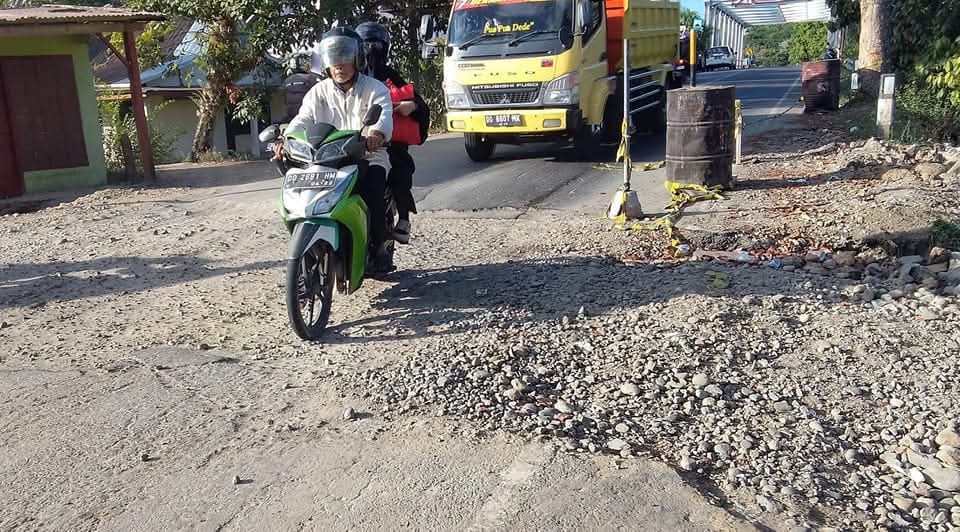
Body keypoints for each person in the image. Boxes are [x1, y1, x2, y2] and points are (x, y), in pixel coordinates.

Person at [273, 27, 395, 272]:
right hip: (325, 158)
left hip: (366, 154)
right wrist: (286, 139)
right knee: (302, 194)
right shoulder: (318, 91)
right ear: (326, 63)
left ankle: (379, 245)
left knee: (374, 186)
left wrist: (376, 135)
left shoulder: (375, 88)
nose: (339, 65)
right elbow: (303, 119)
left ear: (357, 59)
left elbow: (383, 118)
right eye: (333, 59)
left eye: (345, 57)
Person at [355, 21, 430, 245]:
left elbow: (418, 102)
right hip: (352, 138)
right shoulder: (348, 77)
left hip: (388, 142)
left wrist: (412, 105)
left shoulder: (388, 75)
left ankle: (403, 219)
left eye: (375, 45)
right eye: (365, 45)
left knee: (399, 171)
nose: (370, 50)